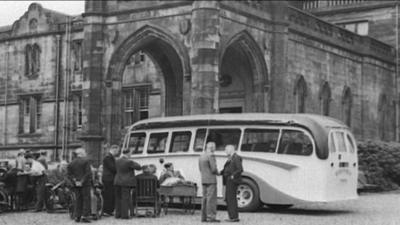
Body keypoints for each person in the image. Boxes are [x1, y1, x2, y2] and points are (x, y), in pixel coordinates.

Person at [114, 148, 141, 219]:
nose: (131, 154)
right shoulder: (129, 162)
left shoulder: (117, 161)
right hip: (126, 182)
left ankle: (118, 214)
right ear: (128, 153)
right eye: (130, 153)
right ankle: (125, 215)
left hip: (117, 181)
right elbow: (139, 167)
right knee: (125, 198)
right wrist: (132, 161)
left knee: (118, 198)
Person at [67, 148, 92, 223]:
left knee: (78, 200)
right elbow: (88, 173)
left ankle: (77, 216)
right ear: (81, 153)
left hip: (76, 184)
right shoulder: (86, 161)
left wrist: (75, 180)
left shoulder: (71, 163)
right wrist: (82, 181)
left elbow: (69, 174)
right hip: (85, 184)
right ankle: (85, 216)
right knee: (86, 199)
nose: (85, 153)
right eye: (84, 152)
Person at [220, 145, 243, 222]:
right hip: (228, 180)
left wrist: (233, 175)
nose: (225, 152)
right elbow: (226, 168)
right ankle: (232, 216)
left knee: (231, 199)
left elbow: (240, 169)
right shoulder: (230, 158)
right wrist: (220, 172)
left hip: (232, 181)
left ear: (231, 149)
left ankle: (234, 217)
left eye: (226, 150)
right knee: (228, 198)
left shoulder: (236, 158)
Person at [199, 142, 220, 223]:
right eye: (214, 147)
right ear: (211, 147)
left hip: (203, 179)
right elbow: (213, 169)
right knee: (211, 199)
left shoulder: (201, 156)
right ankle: (211, 217)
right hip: (211, 180)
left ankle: (203, 217)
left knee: (204, 198)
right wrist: (219, 173)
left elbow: (200, 168)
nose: (215, 149)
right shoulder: (211, 155)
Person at [101, 145, 119, 216]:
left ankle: (109, 210)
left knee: (111, 194)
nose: (118, 152)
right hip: (108, 179)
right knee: (108, 195)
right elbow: (113, 168)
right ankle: (106, 210)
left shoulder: (110, 157)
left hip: (109, 178)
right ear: (114, 149)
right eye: (117, 151)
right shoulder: (108, 157)